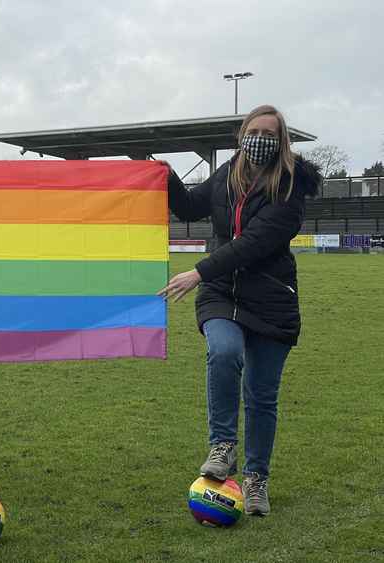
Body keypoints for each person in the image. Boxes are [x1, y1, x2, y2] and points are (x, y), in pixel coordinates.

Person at [159, 105, 321, 516]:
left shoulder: (290, 188)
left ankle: (256, 479)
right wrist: (167, 178)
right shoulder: (228, 171)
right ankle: (222, 445)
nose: (260, 138)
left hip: (270, 299)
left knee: (262, 397)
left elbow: (254, 242)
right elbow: (192, 208)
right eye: (254, 131)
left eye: (269, 132)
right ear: (242, 134)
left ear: (281, 141)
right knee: (224, 352)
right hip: (221, 293)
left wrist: (197, 271)